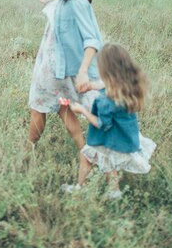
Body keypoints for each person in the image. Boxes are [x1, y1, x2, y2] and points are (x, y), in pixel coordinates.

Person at [28, 0, 104, 150]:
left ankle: (26, 151)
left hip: (55, 68)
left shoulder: (76, 0)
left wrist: (82, 72)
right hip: (55, 64)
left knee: (38, 106)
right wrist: (48, 2)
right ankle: (84, 152)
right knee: (63, 107)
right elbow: (61, 20)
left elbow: (92, 40)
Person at [63, 43, 157, 198]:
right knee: (107, 159)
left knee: (86, 156)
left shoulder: (106, 101)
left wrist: (82, 111)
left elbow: (101, 123)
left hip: (109, 137)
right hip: (121, 136)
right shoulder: (125, 85)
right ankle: (114, 192)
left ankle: (81, 187)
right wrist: (90, 86)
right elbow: (103, 84)